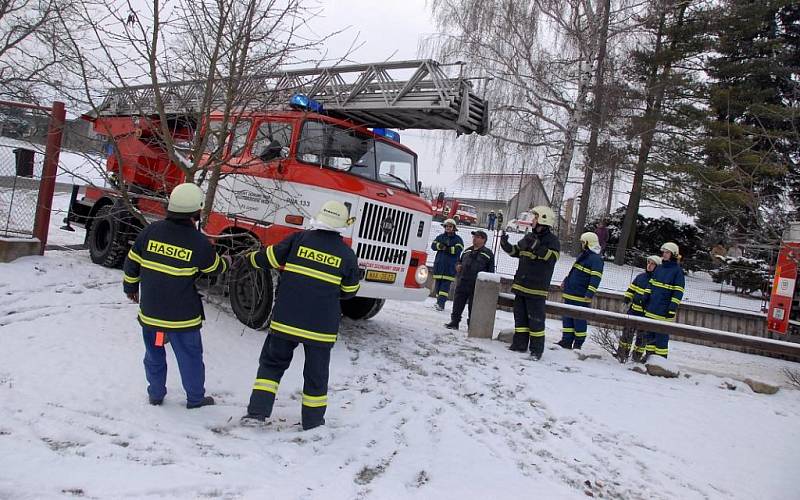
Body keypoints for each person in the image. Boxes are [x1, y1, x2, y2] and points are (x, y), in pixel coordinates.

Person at [242, 200, 360, 430]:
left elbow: (269, 259)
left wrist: (248, 259)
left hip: (287, 321)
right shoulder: (347, 255)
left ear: (319, 217)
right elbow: (349, 292)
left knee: (271, 366)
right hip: (321, 329)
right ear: (342, 225)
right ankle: (313, 423)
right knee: (316, 375)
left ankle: (257, 414)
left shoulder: (299, 239)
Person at [123, 182, 230, 409]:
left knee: (155, 353)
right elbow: (214, 269)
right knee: (189, 357)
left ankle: (156, 394)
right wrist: (227, 261)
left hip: (153, 315)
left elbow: (132, 263)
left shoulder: (150, 231)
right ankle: (195, 398)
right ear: (195, 211)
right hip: (182, 319)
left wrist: (130, 288)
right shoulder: (198, 242)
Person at [500, 205, 560, 360]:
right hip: (521, 286)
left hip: (536, 289)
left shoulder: (552, 241)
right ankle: (519, 345)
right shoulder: (529, 237)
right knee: (520, 319)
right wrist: (505, 245)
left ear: (543, 219)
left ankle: (536, 350)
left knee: (536, 322)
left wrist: (536, 246)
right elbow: (516, 251)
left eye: (535, 217)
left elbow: (551, 258)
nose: (532, 221)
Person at [556, 232, 604, 350]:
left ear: (588, 243)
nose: (582, 245)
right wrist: (565, 282)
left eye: (583, 242)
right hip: (570, 293)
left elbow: (596, 278)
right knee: (567, 319)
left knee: (579, 321)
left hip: (580, 296)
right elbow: (573, 272)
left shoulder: (596, 259)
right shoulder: (583, 256)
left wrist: (589, 293)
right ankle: (566, 341)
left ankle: (578, 344)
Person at [641, 242, 685, 360]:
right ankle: (649, 358)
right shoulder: (659, 268)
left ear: (674, 255)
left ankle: (661, 361)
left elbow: (678, 291)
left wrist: (672, 308)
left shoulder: (677, 271)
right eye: (663, 252)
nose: (664, 254)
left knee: (661, 337)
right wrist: (645, 297)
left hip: (664, 311)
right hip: (652, 308)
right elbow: (651, 284)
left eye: (667, 252)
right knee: (649, 335)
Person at [445, 230, 495, 330]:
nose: (474, 238)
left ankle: (472, 326)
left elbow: (490, 271)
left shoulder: (488, 253)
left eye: (477, 237)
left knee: (473, 307)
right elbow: (459, 261)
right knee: (458, 303)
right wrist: (458, 266)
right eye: (474, 237)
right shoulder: (467, 250)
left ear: (483, 239)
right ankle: (454, 322)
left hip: (476, 285)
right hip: (463, 281)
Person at [616, 255, 661, 362]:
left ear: (658, 267)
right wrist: (626, 300)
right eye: (648, 263)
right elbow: (631, 290)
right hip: (633, 311)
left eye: (652, 264)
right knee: (627, 334)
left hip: (646, 314)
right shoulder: (640, 277)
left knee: (642, 338)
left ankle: (636, 357)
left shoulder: (657, 281)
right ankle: (622, 354)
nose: (649, 265)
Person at [431, 219, 464, 311]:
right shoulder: (440, 237)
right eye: (446, 226)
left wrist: (447, 249)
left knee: (444, 288)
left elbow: (459, 249)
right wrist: (440, 246)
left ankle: (441, 304)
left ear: (454, 228)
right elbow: (433, 246)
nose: (448, 228)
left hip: (450, 267)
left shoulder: (458, 239)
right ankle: (439, 302)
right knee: (438, 287)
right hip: (439, 266)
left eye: (450, 226)